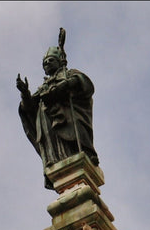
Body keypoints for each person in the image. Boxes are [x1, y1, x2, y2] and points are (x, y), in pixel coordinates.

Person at [17, 28, 97, 188]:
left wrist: (64, 86)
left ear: (59, 61)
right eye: (44, 63)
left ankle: (79, 158)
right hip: (47, 124)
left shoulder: (70, 74)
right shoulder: (43, 86)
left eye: (50, 60)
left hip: (67, 118)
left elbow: (84, 84)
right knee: (55, 150)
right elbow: (29, 108)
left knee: (73, 141)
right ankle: (56, 162)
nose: (47, 64)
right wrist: (25, 93)